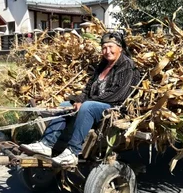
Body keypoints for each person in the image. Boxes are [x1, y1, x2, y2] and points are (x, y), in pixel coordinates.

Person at [20, 31, 141, 165]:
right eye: (104, 48)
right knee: (65, 105)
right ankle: (46, 144)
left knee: (87, 107)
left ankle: (72, 151)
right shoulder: (102, 65)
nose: (107, 51)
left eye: (111, 47)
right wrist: (78, 100)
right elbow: (88, 88)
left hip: (114, 108)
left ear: (120, 48)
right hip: (97, 105)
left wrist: (85, 102)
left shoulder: (127, 66)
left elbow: (118, 94)